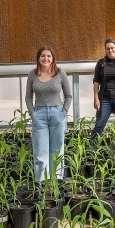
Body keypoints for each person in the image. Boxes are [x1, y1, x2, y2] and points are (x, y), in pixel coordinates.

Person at [25, 47, 73, 182]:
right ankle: (41, 183)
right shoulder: (32, 74)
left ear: (53, 58)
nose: (45, 59)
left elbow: (68, 96)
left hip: (57, 114)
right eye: (42, 56)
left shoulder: (60, 73)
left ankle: (55, 183)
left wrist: (63, 113)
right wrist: (32, 113)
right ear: (38, 58)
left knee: (57, 150)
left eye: (48, 56)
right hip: (39, 115)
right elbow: (28, 97)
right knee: (40, 152)